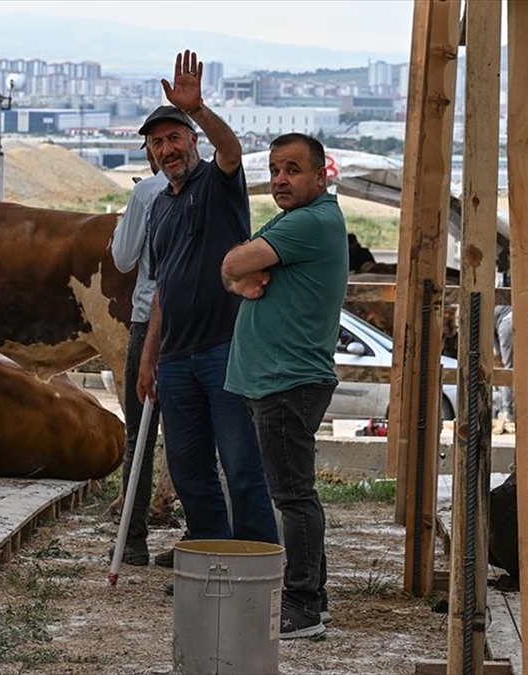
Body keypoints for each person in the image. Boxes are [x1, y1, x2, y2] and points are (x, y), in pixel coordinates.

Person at [135, 51, 279, 566]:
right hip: (175, 360)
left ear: (193, 141)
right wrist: (149, 358)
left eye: (175, 137)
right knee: (189, 470)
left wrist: (196, 107)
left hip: (225, 350)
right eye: (158, 143)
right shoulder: (159, 208)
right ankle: (209, 559)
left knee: (241, 466)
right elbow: (162, 289)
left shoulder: (218, 184)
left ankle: (257, 564)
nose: (167, 149)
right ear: (151, 157)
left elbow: (232, 149)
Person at [222, 132, 349, 640]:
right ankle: (313, 596)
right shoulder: (296, 219)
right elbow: (238, 270)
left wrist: (237, 275)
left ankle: (303, 606)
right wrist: (238, 277)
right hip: (277, 379)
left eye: (293, 170)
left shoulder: (310, 222)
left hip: (287, 380)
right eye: (275, 170)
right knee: (294, 494)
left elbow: (232, 263)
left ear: (321, 175)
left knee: (294, 497)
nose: (280, 179)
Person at [109, 147, 169, 565]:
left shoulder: (147, 191)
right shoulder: (212, 186)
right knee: (195, 433)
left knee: (139, 433)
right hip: (199, 324)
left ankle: (132, 540)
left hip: (148, 319)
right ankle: (201, 537)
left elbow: (123, 256)